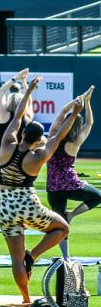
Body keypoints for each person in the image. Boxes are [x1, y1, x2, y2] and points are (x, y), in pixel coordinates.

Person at [0, 77, 82, 304]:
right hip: (26, 203)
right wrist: (74, 113)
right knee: (62, 228)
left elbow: (17, 116)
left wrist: (30, 89)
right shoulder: (38, 156)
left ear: (23, 134)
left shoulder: (7, 144)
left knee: (15, 258)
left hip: (4, 205)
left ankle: (25, 297)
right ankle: (32, 256)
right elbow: (59, 136)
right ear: (37, 140)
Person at [47, 86, 97, 258]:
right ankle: (72, 214)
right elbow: (89, 122)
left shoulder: (53, 135)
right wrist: (87, 102)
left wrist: (78, 100)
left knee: (60, 225)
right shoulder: (75, 142)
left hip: (53, 187)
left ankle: (66, 257)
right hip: (70, 184)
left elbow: (62, 111)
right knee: (98, 196)